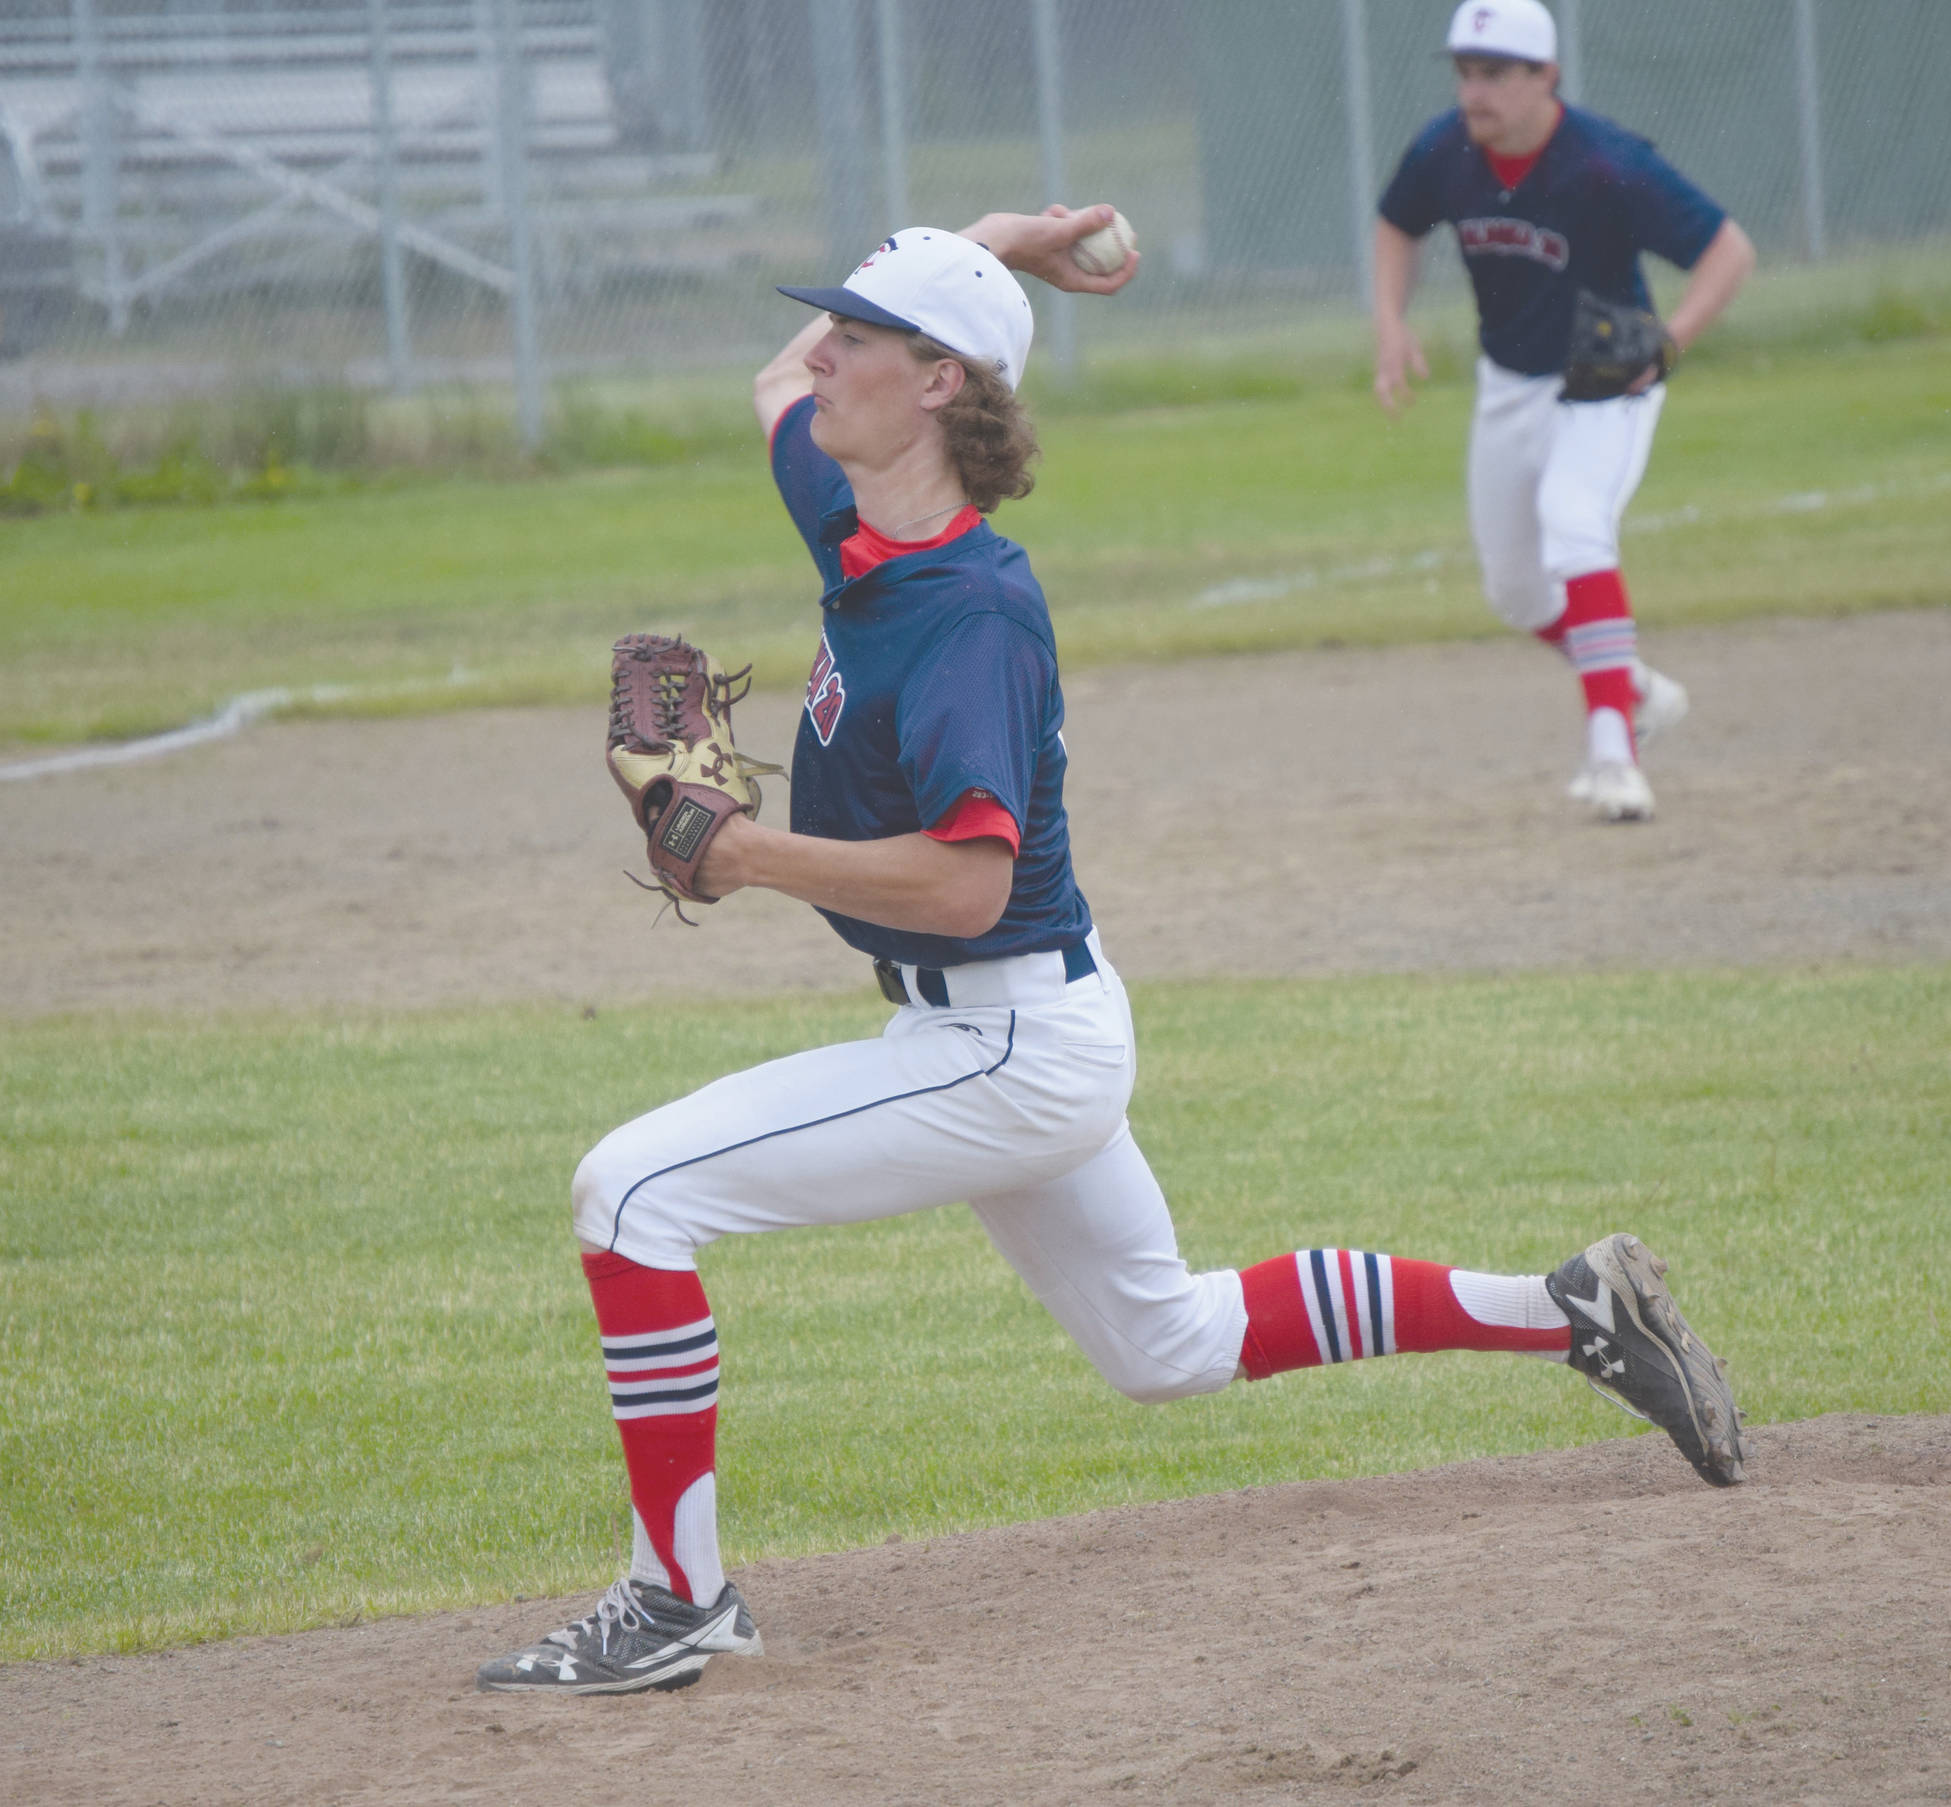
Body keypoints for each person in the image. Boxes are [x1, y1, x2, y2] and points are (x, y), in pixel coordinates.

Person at [478, 205, 1747, 1696]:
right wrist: (985, 241)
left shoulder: (971, 612)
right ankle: (1568, 1304)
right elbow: (773, 392)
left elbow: (964, 884)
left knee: (630, 1188)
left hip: (1003, 1043)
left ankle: (675, 1594)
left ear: (939, 383)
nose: (819, 351)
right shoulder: (859, 511)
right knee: (1165, 1341)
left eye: (860, 336)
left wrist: (746, 855)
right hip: (1026, 1030)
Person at [1373, 0, 1756, 822]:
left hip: (1603, 376)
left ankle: (1614, 751)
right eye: (1466, 73)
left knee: (1574, 518)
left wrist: (1671, 342)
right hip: (1509, 382)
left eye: (1496, 75)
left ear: (1547, 76)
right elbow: (1397, 223)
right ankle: (1638, 688)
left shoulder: (1606, 163)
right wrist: (1391, 322)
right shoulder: (1447, 150)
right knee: (1515, 590)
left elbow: (1730, 250)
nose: (1475, 93)